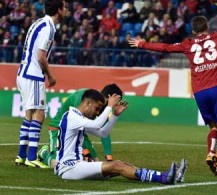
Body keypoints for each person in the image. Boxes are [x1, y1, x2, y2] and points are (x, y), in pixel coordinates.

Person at [128, 8, 217, 177]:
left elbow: (166, 47)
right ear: (207, 26)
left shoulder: (187, 44)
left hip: (200, 92)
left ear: (193, 31)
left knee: (213, 126)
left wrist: (142, 44)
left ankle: (210, 153)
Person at [54, 89, 187, 184]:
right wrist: (109, 106)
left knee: (122, 165)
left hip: (75, 166)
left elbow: (102, 133)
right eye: (97, 108)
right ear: (87, 103)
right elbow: (96, 124)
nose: (97, 112)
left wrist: (115, 116)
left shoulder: (76, 117)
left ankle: (165, 176)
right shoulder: (72, 116)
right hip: (69, 167)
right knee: (116, 165)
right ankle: (164, 178)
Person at [15, 0, 66, 168]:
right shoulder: (49, 27)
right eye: (64, 7)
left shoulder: (38, 22)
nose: (65, 10)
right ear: (59, 10)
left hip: (23, 72)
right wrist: (50, 76)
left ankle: (22, 155)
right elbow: (40, 56)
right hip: (34, 75)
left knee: (29, 114)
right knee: (40, 114)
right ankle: (31, 157)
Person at [38, 83, 123, 168]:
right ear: (110, 97)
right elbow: (91, 125)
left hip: (79, 133)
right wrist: (86, 152)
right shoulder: (84, 98)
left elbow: (104, 132)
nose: (115, 105)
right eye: (116, 102)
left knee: (95, 162)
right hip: (58, 130)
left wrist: (109, 158)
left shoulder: (101, 107)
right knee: (55, 164)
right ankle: (44, 153)